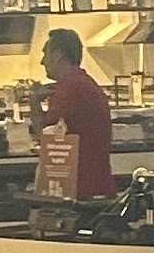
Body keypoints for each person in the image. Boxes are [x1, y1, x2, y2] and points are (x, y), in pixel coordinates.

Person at [35, 26, 113, 198]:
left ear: (57, 55)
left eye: (45, 54)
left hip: (81, 188)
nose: (42, 62)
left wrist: (34, 103)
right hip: (95, 184)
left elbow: (50, 143)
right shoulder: (81, 83)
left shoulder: (70, 88)